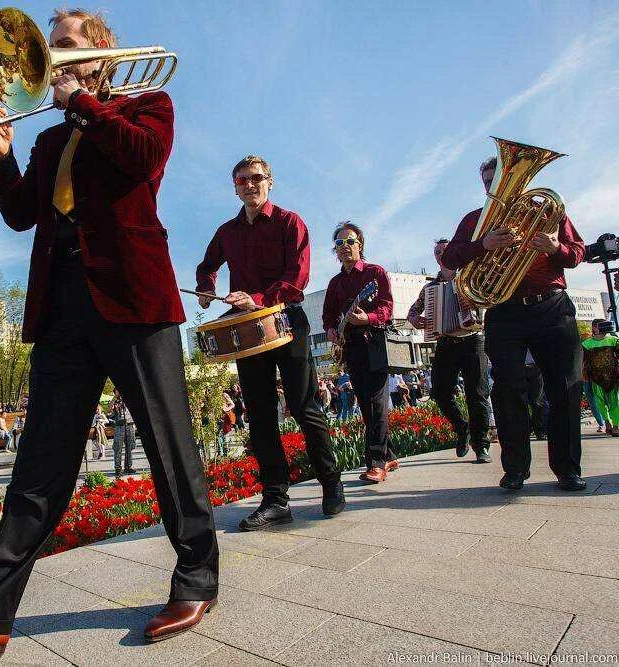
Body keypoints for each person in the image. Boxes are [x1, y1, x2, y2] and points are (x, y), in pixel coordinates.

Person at [0, 9, 219, 655]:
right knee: (38, 468)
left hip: (134, 297)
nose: (56, 57)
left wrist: (86, 109)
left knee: (168, 446)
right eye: (53, 47)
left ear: (101, 54)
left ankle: (197, 578)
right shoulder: (46, 140)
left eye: (67, 46)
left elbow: (143, 159)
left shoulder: (146, 105)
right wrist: (1, 155)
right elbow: (20, 215)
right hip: (62, 305)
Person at [194, 154, 344, 525]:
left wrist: (257, 298)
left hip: (286, 321)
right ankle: (276, 500)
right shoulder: (227, 232)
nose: (250, 184)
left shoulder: (290, 222)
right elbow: (206, 265)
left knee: (304, 407)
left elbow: (298, 277)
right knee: (260, 417)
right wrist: (205, 288)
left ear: (270, 181)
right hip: (247, 329)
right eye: (242, 180)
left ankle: (331, 484)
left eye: (256, 178)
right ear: (235, 186)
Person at [442, 155, 585, 491]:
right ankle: (516, 469)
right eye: (490, 183)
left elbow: (578, 252)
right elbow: (450, 258)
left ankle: (567, 470)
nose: (498, 187)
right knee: (508, 390)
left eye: (504, 179)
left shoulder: (546, 211)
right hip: (504, 310)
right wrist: (482, 244)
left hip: (552, 307)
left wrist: (556, 247)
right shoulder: (477, 220)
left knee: (564, 388)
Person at [323, 222, 398, 483]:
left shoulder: (375, 272)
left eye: (350, 242)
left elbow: (388, 307)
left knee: (377, 401)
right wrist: (332, 329)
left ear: (360, 245)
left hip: (374, 342)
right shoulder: (334, 283)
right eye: (339, 244)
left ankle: (376, 463)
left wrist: (369, 317)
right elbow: (328, 316)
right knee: (366, 404)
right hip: (351, 347)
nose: (345, 247)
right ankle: (388, 454)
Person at [408, 238, 493, 462]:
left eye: (444, 250)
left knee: (478, 395)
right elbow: (413, 311)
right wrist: (416, 319)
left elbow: (490, 300)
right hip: (446, 342)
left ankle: (481, 444)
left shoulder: (471, 276)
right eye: (437, 252)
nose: (440, 254)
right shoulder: (430, 288)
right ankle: (461, 426)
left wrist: (474, 303)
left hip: (473, 340)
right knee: (440, 393)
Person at [582, 319, 619, 435]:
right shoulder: (587, 344)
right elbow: (584, 362)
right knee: (600, 402)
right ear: (594, 328)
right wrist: (584, 376)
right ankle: (607, 423)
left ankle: (616, 426)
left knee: (615, 402)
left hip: (612, 376)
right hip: (596, 378)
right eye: (600, 325)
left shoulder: (613, 340)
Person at [109, 392, 136, 475]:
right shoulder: (115, 402)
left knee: (130, 447)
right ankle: (118, 468)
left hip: (130, 425)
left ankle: (128, 466)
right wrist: (115, 397)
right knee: (118, 448)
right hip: (119, 426)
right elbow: (109, 409)